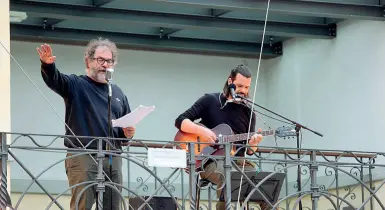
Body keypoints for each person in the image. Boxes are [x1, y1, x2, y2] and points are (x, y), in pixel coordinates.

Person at [37, 38, 135, 210]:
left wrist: (128, 133)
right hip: (83, 156)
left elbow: (124, 130)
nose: (105, 65)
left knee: (113, 206)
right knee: (83, 205)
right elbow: (56, 80)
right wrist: (48, 66)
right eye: (101, 60)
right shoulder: (77, 84)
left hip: (113, 156)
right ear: (88, 61)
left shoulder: (118, 92)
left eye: (110, 61)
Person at [174, 64, 270, 209]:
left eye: (246, 87)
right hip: (209, 160)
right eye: (239, 86)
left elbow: (249, 150)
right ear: (230, 82)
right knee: (228, 177)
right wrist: (203, 132)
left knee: (266, 186)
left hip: (238, 162)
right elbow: (180, 120)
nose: (243, 91)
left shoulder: (249, 112)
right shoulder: (210, 100)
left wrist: (253, 143)